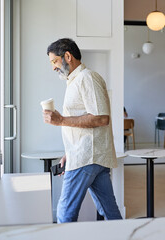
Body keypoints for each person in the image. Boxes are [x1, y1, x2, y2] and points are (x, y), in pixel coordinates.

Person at [43, 38, 122, 223]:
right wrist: (68, 153)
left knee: (65, 214)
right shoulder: (75, 80)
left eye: (54, 61)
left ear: (67, 56)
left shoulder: (87, 78)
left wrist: (61, 119)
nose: (53, 67)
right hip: (88, 157)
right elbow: (85, 121)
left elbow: (101, 118)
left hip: (86, 158)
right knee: (109, 212)